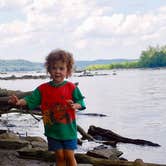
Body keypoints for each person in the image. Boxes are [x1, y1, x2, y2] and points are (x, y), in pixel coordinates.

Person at [8, 49, 86, 166]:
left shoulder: (71, 87)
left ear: (68, 70)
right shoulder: (43, 89)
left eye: (61, 68)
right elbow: (30, 99)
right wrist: (18, 102)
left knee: (69, 156)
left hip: (68, 131)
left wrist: (75, 105)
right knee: (59, 156)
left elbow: (81, 102)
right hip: (52, 131)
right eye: (54, 68)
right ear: (49, 70)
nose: (57, 71)